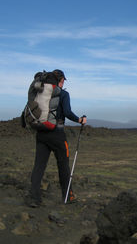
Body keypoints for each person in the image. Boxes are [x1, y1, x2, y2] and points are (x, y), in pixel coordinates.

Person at [28, 69, 86, 207]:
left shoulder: (39, 92)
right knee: (63, 165)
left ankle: (33, 198)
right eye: (63, 80)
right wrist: (79, 120)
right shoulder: (64, 94)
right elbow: (67, 112)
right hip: (57, 134)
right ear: (61, 80)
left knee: (39, 166)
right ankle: (68, 196)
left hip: (41, 133)